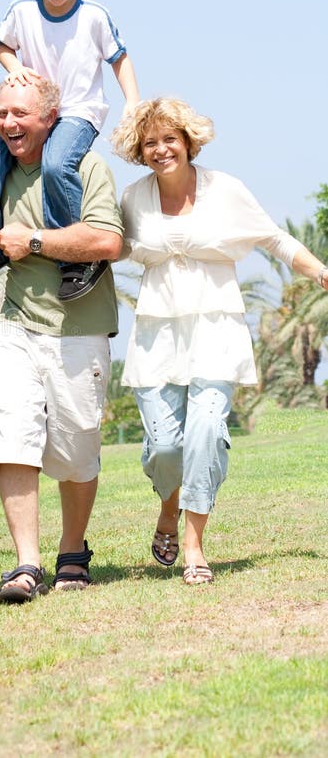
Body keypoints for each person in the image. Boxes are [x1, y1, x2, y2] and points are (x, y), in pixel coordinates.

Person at [112, 98, 328, 585]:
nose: (161, 149)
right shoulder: (132, 197)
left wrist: (320, 273)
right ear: (139, 151)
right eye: (151, 143)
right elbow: (106, 246)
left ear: (189, 141)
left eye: (170, 139)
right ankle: (168, 504)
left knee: (207, 431)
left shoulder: (225, 189)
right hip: (156, 336)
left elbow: (273, 238)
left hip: (216, 329)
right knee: (165, 448)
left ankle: (193, 546)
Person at [0, 76, 124, 603]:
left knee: (77, 451)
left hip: (79, 330)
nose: (9, 123)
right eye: (2, 113)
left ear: (50, 119)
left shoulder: (86, 169)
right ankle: (25, 564)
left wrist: (33, 239)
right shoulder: (0, 172)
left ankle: (72, 551)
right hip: (15, 326)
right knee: (12, 437)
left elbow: (107, 239)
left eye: (21, 114)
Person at [0, 0, 138, 301]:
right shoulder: (22, 9)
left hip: (77, 111)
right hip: (36, 111)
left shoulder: (94, 16)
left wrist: (132, 102)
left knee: (57, 165)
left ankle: (75, 259)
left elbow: (119, 59)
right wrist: (13, 67)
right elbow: (1, 44)